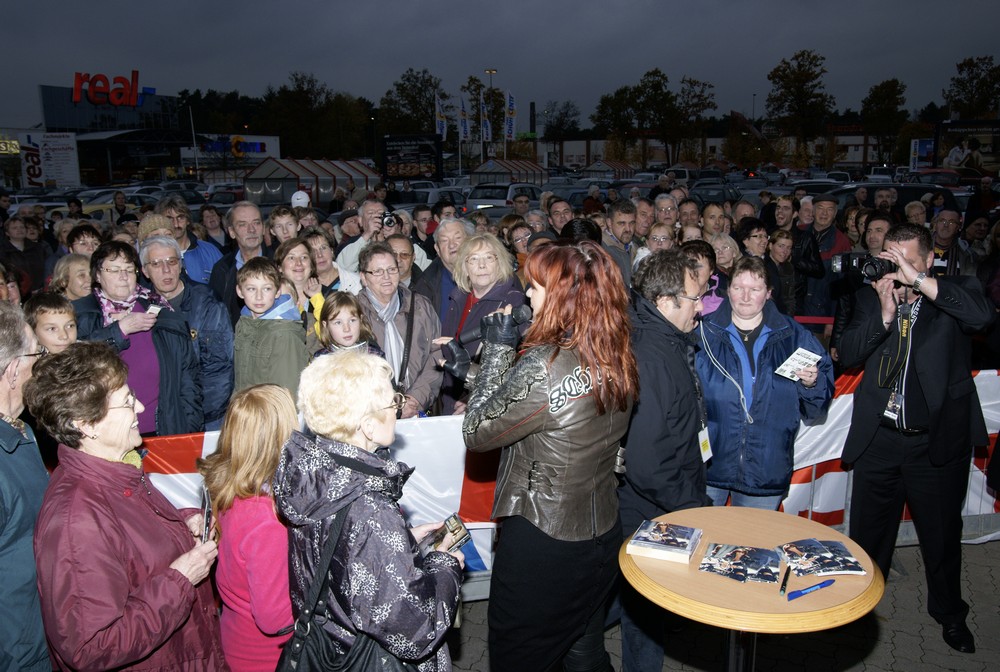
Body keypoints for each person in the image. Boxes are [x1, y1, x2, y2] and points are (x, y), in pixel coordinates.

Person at [462, 240, 639, 672]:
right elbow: (550, 413)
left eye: (536, 287)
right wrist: (471, 373)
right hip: (601, 532)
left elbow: (476, 432)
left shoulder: (545, 362)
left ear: (562, 296)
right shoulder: (616, 350)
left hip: (544, 541)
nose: (527, 294)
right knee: (584, 654)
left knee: (518, 659)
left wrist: (498, 350)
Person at [838, 223, 994, 654]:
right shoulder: (872, 295)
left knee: (941, 536)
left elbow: (983, 318)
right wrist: (885, 313)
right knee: (869, 536)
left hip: (935, 442)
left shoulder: (954, 293)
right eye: (891, 259)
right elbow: (848, 353)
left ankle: (950, 614)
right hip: (880, 439)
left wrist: (921, 283)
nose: (898, 269)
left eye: (906, 260)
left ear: (927, 261)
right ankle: (857, 611)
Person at [26, 342, 225, 670]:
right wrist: (180, 580)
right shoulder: (76, 520)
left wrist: (182, 522)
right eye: (127, 402)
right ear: (87, 424)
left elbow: (133, 543)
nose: (141, 408)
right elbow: (92, 647)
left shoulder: (117, 472)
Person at [273, 350, 464, 670]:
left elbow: (341, 558)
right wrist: (444, 565)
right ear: (368, 426)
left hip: (330, 649)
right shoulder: (371, 511)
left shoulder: (313, 477)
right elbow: (417, 631)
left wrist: (401, 544)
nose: (398, 408)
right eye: (392, 402)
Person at [618, 249, 712, 671]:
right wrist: (692, 504)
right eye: (695, 298)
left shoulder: (666, 340)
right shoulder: (651, 355)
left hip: (663, 500)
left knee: (633, 602)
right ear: (665, 301)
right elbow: (647, 461)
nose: (701, 307)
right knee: (643, 614)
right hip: (651, 509)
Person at [695, 256, 833, 509]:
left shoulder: (795, 337)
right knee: (702, 533)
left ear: (769, 293)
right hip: (709, 463)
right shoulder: (703, 333)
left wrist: (811, 384)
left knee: (754, 535)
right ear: (728, 290)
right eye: (738, 287)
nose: (745, 297)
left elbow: (816, 409)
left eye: (755, 289)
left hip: (766, 466)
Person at [197, 385, 297, 670]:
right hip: (267, 659)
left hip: (235, 635)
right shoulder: (268, 520)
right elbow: (275, 619)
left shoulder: (230, 489)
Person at [74, 240, 203, 436]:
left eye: (129, 269)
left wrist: (190, 425)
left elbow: (188, 375)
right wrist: (119, 330)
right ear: (98, 275)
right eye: (114, 270)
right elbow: (77, 365)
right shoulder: (83, 314)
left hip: (164, 427)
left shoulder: (159, 309)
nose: (123, 276)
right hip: (109, 432)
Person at [140, 235, 234, 431]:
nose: (166, 270)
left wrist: (194, 418)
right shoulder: (139, 307)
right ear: (145, 271)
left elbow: (218, 372)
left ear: (181, 264)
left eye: (172, 261)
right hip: (159, 415)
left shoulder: (207, 303)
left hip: (205, 417)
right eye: (156, 264)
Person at [0, 304, 49, 672]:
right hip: (17, 651)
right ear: (14, 369)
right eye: (37, 353)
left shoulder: (20, 431)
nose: (41, 363)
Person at [438, 233, 525, 413]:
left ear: (499, 263)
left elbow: (514, 365)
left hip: (486, 403)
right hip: (451, 397)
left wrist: (473, 396)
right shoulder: (457, 298)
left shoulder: (512, 302)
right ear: (464, 267)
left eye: (489, 258)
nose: (482, 265)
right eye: (474, 259)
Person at [358, 242, 442, 417]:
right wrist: (389, 407)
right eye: (377, 271)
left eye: (391, 269)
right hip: (373, 414)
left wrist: (415, 399)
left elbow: (437, 353)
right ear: (364, 278)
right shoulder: (354, 314)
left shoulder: (420, 306)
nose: (386, 277)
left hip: (417, 409)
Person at [233, 256, 309, 401]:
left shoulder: (284, 333)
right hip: (246, 408)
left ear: (278, 291)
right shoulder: (245, 323)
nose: (259, 297)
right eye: (251, 289)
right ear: (240, 291)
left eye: (267, 289)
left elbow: (287, 394)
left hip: (269, 412)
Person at [209, 201, 272, 326]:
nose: (251, 229)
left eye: (256, 223)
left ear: (263, 228)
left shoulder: (279, 263)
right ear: (232, 232)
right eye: (243, 224)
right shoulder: (222, 269)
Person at [154, 194, 222, 285]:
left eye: (180, 217)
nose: (176, 224)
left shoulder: (210, 251)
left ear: (188, 220)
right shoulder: (152, 256)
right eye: (169, 219)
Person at [314, 290, 385, 358]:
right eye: (338, 322)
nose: (347, 329)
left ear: (360, 320)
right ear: (326, 325)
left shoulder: (374, 357)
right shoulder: (320, 360)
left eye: (352, 320)